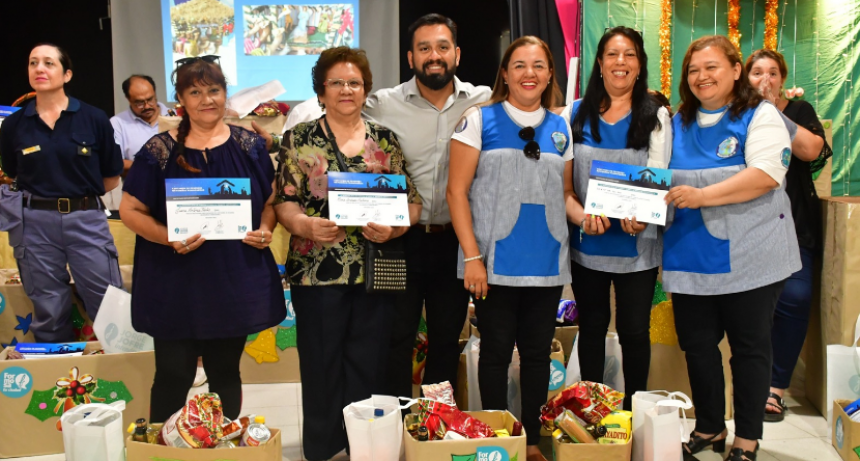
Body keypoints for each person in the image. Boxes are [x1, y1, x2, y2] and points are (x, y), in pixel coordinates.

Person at [273, 47, 421, 461]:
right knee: (321, 365)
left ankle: (364, 448)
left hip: (374, 271)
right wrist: (305, 225)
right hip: (316, 271)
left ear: (365, 90)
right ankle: (323, 449)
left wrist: (395, 227)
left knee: (368, 365)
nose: (346, 90)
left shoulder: (384, 140)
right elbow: (284, 201)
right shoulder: (299, 139)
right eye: (336, 82)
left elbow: (412, 203)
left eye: (354, 83)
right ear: (321, 91)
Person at [119, 56, 284, 422]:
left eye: (214, 90)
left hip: (231, 279)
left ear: (225, 94)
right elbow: (130, 210)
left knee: (225, 372)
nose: (206, 100)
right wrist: (168, 238)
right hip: (174, 281)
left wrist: (266, 227)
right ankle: (163, 445)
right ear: (180, 100)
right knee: (173, 374)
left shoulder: (249, 146)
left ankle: (223, 442)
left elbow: (271, 201)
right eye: (195, 92)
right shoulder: (159, 150)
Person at [663, 36, 801, 461]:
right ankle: (709, 426)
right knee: (698, 347)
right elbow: (652, 175)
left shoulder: (760, 115)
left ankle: (747, 438)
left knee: (749, 349)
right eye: (693, 70)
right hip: (689, 254)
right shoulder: (675, 122)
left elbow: (766, 175)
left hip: (751, 254)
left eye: (712, 67)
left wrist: (703, 196)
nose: (701, 77)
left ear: (736, 70)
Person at [448, 36, 571, 461]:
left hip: (547, 262)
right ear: (504, 73)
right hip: (493, 264)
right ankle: (498, 441)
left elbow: (566, 195)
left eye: (538, 65)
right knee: (496, 353)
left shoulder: (561, 128)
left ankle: (532, 442)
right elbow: (456, 192)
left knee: (537, 356)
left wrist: (596, 215)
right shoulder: (478, 119)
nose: (529, 73)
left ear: (550, 74)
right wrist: (472, 257)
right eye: (519, 65)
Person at [364, 13, 491, 400]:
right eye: (424, 48)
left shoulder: (484, 101)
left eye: (442, 47)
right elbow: (335, 111)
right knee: (395, 338)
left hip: (455, 241)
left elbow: (535, 107)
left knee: (446, 338)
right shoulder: (383, 104)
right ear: (410, 57)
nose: (433, 55)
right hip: (399, 240)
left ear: (457, 54)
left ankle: (436, 423)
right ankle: (397, 421)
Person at [561, 26, 671, 411]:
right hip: (587, 241)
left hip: (637, 245)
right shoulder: (575, 113)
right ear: (600, 62)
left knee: (634, 331)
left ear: (639, 65)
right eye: (612, 54)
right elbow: (565, 186)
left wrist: (644, 214)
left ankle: (633, 412)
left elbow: (659, 177)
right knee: (592, 327)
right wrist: (581, 217)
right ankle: (593, 412)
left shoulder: (656, 115)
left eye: (629, 55)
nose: (620, 62)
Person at [0, 43, 123, 342]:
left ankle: (124, 365)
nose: (39, 69)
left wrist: (78, 197)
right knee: (49, 308)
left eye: (48, 63)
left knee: (108, 301)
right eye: (33, 63)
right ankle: (57, 368)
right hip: (34, 223)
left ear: (67, 74)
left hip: (85, 219)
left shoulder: (93, 118)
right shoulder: (14, 124)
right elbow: (13, 174)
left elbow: (111, 175)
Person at [745, 49, 832, 423]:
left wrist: (770, 111)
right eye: (757, 72)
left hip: (794, 224)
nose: (765, 79)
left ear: (782, 79)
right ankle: (749, 382)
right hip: (748, 226)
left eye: (773, 73)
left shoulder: (798, 110)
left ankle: (775, 388)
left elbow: (811, 151)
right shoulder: (735, 112)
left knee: (795, 297)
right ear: (743, 77)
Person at [104, 75, 171, 213]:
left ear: (155, 93)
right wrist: (151, 168)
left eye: (150, 99)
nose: (147, 106)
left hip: (177, 192)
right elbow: (114, 162)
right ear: (128, 99)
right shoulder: (118, 123)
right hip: (138, 196)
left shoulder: (175, 116)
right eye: (139, 103)